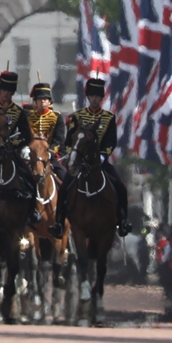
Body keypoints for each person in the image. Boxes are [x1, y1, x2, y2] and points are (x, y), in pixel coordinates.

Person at [64, 76, 133, 237]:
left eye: (97, 96)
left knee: (120, 187)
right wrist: (72, 156)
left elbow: (111, 141)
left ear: (102, 98)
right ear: (88, 97)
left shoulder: (109, 117)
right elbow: (69, 140)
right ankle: (60, 221)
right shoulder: (77, 116)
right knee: (64, 186)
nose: (95, 99)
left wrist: (103, 156)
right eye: (92, 96)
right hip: (80, 162)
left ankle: (123, 220)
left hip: (99, 162)